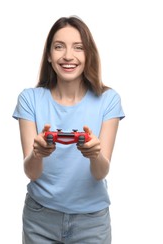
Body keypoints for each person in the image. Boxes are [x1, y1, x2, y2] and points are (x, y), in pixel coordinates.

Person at [12, 16, 125, 244]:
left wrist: (94, 155)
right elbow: (32, 172)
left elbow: (101, 172)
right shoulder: (29, 99)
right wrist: (38, 153)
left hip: (91, 222)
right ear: (49, 56)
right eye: (59, 47)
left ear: (88, 55)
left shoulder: (108, 100)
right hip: (39, 218)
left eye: (78, 47)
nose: (68, 56)